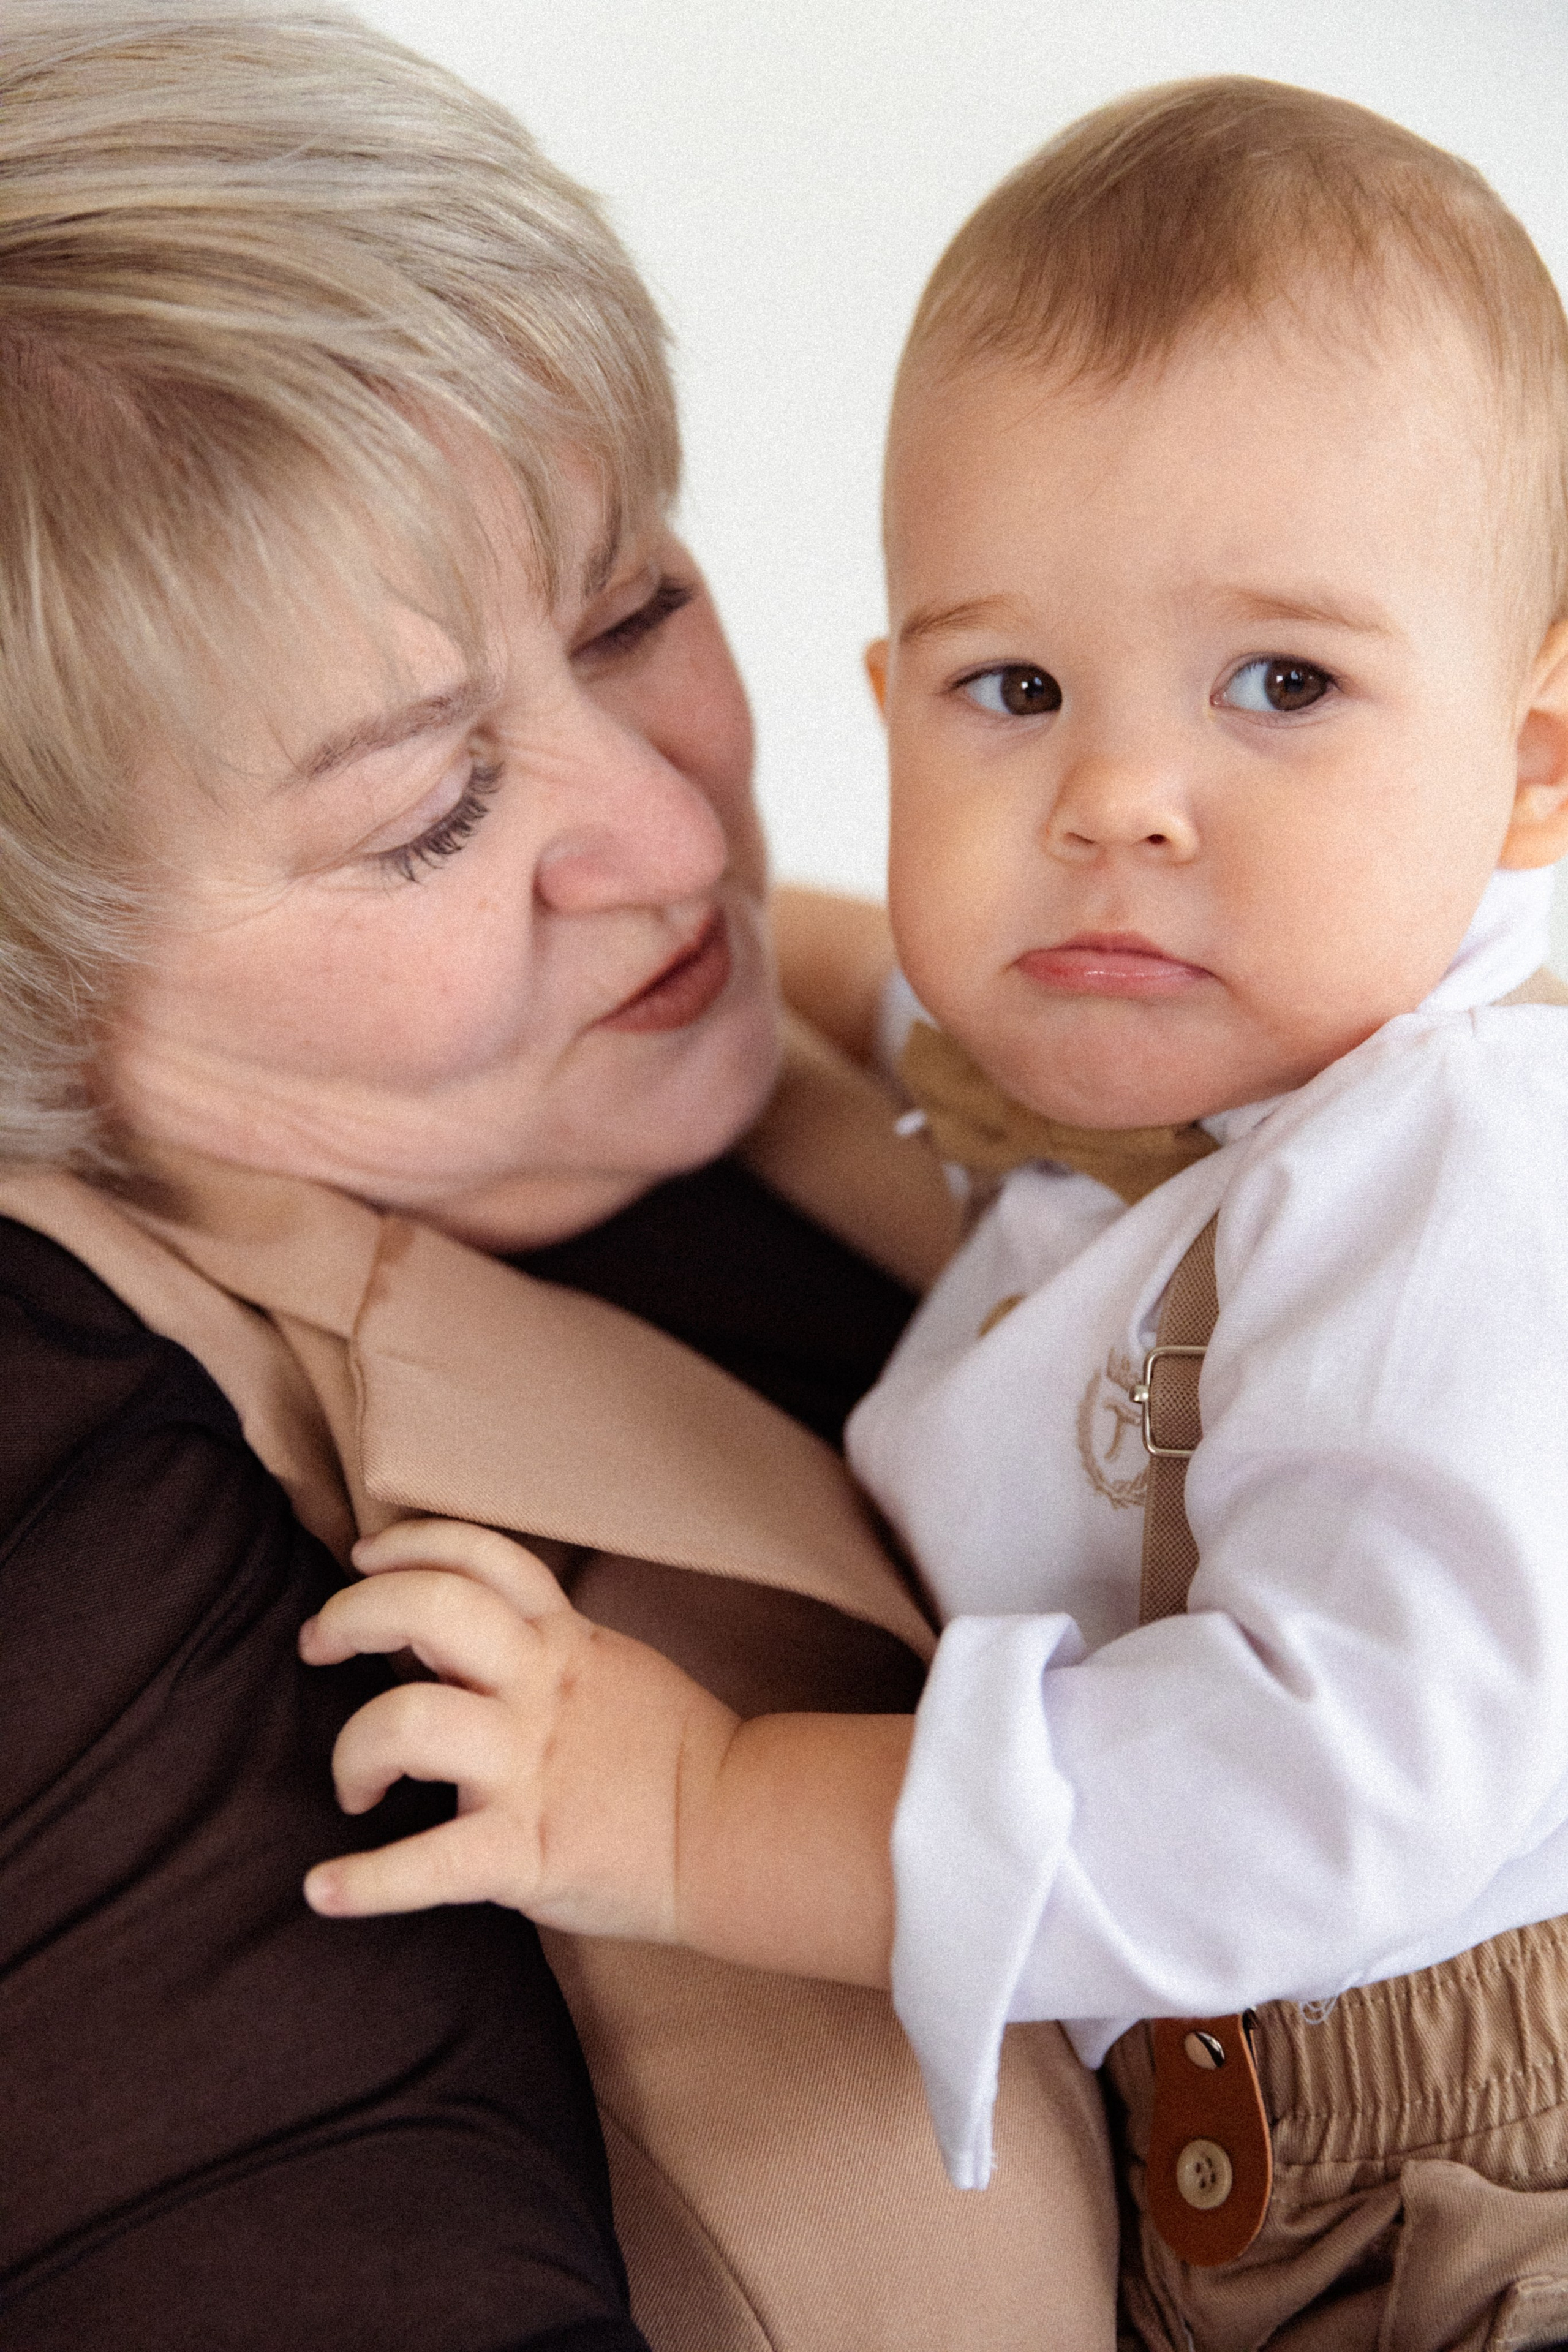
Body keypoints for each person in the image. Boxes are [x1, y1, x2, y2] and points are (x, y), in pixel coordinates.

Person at [301, 78, 1568, 2351]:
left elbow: (1314, 1793)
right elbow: (901, 991)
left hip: (1483, 2183)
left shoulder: (1464, 1176)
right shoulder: (1195, 1053)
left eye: (1281, 684)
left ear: (1539, 755)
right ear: (890, 707)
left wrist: (699, 1809)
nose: (1114, 805)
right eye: (1011, 688)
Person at [0, 6, 1119, 2346]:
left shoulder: (891, 1013)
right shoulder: (70, 1479)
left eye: (636, 610)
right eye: (422, 811)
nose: (669, 823)